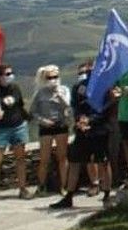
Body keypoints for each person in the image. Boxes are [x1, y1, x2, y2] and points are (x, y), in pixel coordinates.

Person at [50, 65, 115, 209]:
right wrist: (80, 120)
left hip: (100, 131)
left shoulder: (105, 88)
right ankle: (69, 196)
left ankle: (107, 195)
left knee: (103, 162)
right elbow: (76, 107)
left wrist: (91, 120)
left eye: (89, 72)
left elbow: (106, 109)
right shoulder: (78, 87)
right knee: (74, 162)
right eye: (84, 72)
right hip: (82, 131)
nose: (86, 75)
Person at [0, 64, 30, 199]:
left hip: (18, 127)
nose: (10, 76)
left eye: (11, 73)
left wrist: (27, 117)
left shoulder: (15, 88)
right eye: (7, 74)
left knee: (20, 159)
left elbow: (20, 106)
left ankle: (23, 189)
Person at [30, 64, 71, 196]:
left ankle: (64, 186)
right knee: (44, 158)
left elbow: (68, 106)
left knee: (62, 157)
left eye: (55, 77)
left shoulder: (64, 90)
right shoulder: (40, 93)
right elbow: (33, 112)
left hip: (61, 125)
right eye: (50, 77)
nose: (53, 79)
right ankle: (41, 185)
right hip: (46, 127)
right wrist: (43, 121)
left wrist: (59, 95)